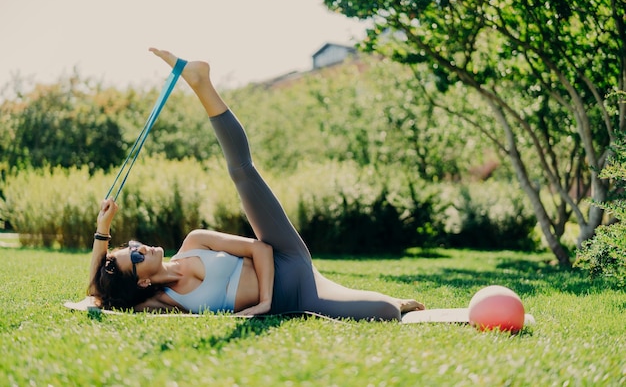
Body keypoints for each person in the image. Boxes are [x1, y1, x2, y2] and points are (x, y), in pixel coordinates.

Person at [88, 48, 425, 321]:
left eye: (130, 243)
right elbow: (97, 293)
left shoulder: (196, 242)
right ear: (142, 281)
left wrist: (104, 229)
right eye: (132, 254)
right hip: (302, 295)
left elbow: (261, 248)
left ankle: (200, 82)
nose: (138, 245)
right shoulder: (162, 301)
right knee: (385, 312)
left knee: (242, 173)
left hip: (287, 259)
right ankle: (393, 300)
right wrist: (104, 250)